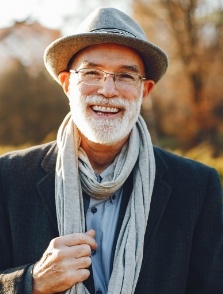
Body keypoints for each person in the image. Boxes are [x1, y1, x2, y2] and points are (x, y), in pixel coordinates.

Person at [0, 7, 222, 294]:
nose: (108, 89)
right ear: (68, 84)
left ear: (145, 90)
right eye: (92, 72)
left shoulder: (196, 187)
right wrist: (33, 280)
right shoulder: (9, 177)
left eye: (125, 76)